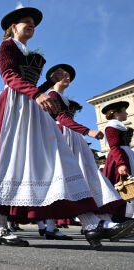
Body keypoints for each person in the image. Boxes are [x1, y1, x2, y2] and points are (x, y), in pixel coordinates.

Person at [0, 6, 134, 249]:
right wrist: (37, 93)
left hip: (33, 105)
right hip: (15, 106)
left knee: (60, 157)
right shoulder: (6, 46)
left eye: (33, 23)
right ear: (13, 27)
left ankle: (92, 224)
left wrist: (49, 82)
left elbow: (29, 80)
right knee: (11, 163)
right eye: (26, 22)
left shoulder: (27, 51)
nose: (31, 25)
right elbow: (8, 75)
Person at [44, 64, 126, 239]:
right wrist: (87, 131)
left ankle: (100, 220)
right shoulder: (52, 95)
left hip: (71, 136)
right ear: (54, 77)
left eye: (69, 76)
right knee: (70, 179)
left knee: (82, 177)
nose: (67, 77)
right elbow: (61, 118)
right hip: (62, 137)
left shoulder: (63, 98)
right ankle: (96, 222)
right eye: (63, 74)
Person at [102, 101, 134, 219]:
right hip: (118, 158)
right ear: (116, 113)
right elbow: (114, 146)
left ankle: (127, 217)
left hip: (127, 155)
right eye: (124, 110)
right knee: (120, 187)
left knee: (129, 187)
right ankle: (117, 218)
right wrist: (121, 163)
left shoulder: (120, 126)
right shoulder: (111, 126)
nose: (126, 113)